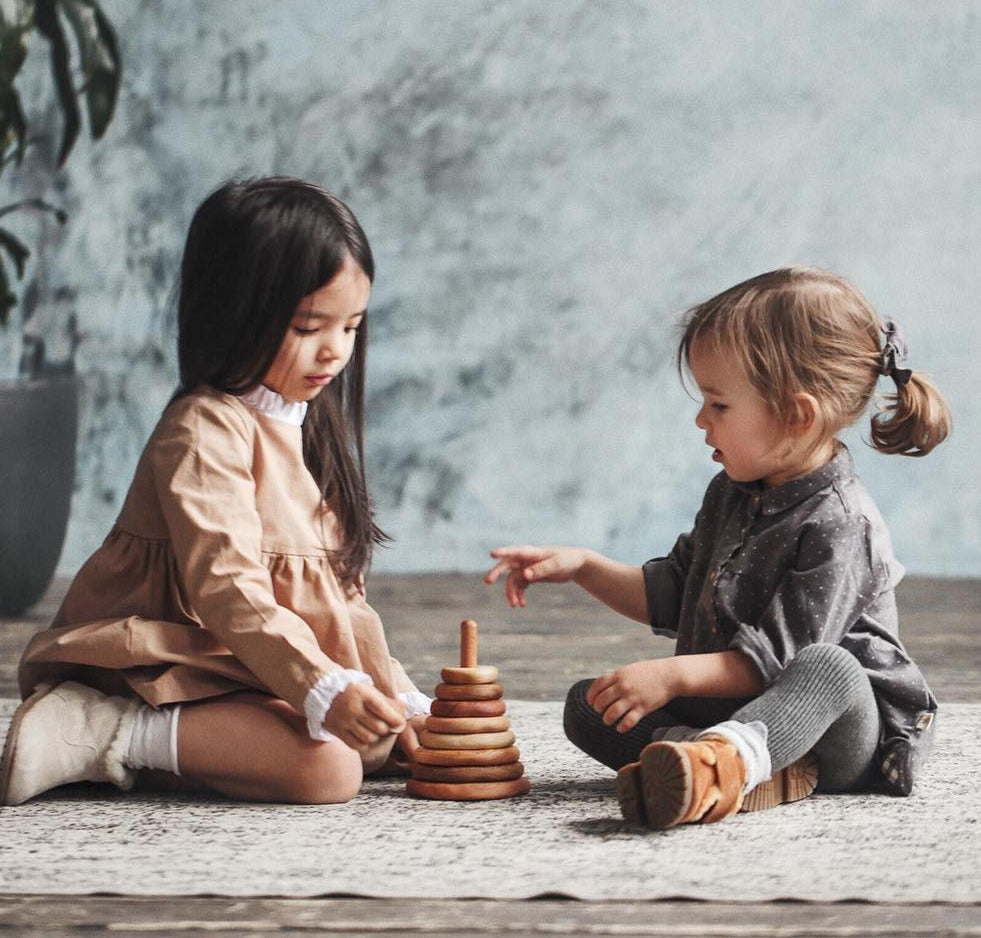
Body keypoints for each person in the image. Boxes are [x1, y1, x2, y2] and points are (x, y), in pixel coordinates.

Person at [1, 176, 430, 807]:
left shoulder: (304, 425)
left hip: (245, 665)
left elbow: (333, 601)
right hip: (162, 664)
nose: (335, 352)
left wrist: (397, 696)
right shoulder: (204, 429)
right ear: (236, 312)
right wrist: (321, 687)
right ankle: (99, 727)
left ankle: (214, 738)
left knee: (370, 749)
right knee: (328, 772)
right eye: (310, 326)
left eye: (351, 326)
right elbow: (228, 588)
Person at [485, 266, 950, 830]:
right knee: (590, 704)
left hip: (833, 733)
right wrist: (584, 567)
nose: (701, 419)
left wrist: (672, 675)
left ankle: (726, 764)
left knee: (829, 666)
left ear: (798, 416)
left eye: (719, 405)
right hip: (736, 709)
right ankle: (715, 764)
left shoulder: (841, 526)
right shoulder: (730, 493)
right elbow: (673, 593)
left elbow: (770, 666)